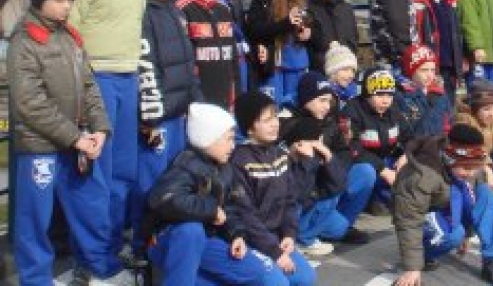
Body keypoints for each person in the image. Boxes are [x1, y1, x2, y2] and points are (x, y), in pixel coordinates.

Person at [7, 0, 128, 285]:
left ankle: (95, 268)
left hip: (76, 142)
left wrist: (101, 128)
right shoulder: (25, 41)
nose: (67, 6)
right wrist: (76, 138)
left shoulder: (70, 37)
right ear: (40, 0)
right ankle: (35, 279)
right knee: (34, 221)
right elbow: (29, 103)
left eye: (69, 0)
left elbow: (89, 86)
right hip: (40, 147)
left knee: (89, 209)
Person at [68, 0, 146, 261]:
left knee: (125, 171)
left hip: (129, 75)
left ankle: (114, 245)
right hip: (97, 75)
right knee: (98, 170)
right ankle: (93, 257)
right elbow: (71, 28)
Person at [144, 102, 288, 285]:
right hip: (173, 241)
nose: (233, 145)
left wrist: (237, 235)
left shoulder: (225, 168)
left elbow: (230, 207)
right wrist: (211, 210)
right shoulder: (186, 165)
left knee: (267, 275)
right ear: (207, 139)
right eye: (227, 139)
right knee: (191, 230)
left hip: (209, 240)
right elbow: (164, 198)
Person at [133, 0, 202, 258]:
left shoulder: (175, 11)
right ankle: (141, 243)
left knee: (176, 177)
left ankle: (167, 237)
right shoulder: (144, 13)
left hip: (180, 111)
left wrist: (196, 103)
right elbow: (146, 67)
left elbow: (189, 65)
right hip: (159, 115)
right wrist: (150, 118)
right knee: (150, 183)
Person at [391, 123, 493, 286]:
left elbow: (468, 196)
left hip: (448, 209)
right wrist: (412, 267)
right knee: (454, 234)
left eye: (474, 167)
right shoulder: (421, 176)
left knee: (485, 193)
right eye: (465, 167)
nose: (469, 172)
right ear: (449, 158)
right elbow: (408, 221)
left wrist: (467, 234)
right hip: (424, 220)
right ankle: (425, 255)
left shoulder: (468, 165)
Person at [231, 92, 317, 285]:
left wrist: (289, 234)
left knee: (306, 277)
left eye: (275, 117)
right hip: (252, 240)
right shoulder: (240, 161)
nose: (275, 124)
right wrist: (274, 252)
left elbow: (290, 200)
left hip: (277, 236)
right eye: (266, 120)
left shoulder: (280, 154)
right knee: (278, 283)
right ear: (250, 128)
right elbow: (246, 216)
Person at [280, 71, 374, 247]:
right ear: (307, 100)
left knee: (365, 172)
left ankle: (328, 223)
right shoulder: (289, 122)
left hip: (326, 181)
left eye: (329, 100)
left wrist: (330, 163)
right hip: (306, 192)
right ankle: (304, 235)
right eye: (321, 101)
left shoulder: (329, 117)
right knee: (331, 190)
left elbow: (344, 151)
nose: (327, 106)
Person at [246, 0, 312, 106]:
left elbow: (311, 21)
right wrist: (286, 23)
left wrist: (309, 33)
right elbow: (255, 30)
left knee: (296, 108)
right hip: (273, 65)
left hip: (298, 63)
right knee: (273, 107)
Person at [341, 67, 411, 215]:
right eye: (379, 94)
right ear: (367, 94)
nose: (386, 100)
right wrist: (383, 170)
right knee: (368, 171)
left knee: (415, 161)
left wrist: (407, 155)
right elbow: (351, 147)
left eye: (389, 95)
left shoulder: (393, 110)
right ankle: (347, 215)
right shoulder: (352, 110)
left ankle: (386, 200)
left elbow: (410, 137)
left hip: (385, 159)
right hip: (357, 165)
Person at [176, 0, 239, 111]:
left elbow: (233, 56)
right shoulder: (182, 9)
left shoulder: (223, 9)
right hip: (198, 95)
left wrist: (236, 92)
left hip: (224, 93)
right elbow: (181, 61)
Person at [411, 0, 465, 104]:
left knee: (449, 101)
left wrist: (461, 60)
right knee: (433, 101)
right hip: (432, 62)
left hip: (450, 62)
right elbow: (417, 35)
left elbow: (457, 33)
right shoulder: (419, 4)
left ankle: (448, 126)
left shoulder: (450, 1)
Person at [305, 0, 358, 74]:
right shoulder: (309, 9)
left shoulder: (346, 8)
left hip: (347, 71)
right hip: (321, 72)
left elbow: (353, 40)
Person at [395, 43, 453, 137]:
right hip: (413, 147)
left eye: (432, 70)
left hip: (437, 146)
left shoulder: (440, 94)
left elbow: (448, 121)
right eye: (424, 70)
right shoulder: (401, 96)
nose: (430, 75)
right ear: (411, 71)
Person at [323, 41, 360, 108]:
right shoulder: (325, 94)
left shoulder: (356, 90)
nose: (350, 75)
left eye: (353, 71)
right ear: (332, 72)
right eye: (345, 69)